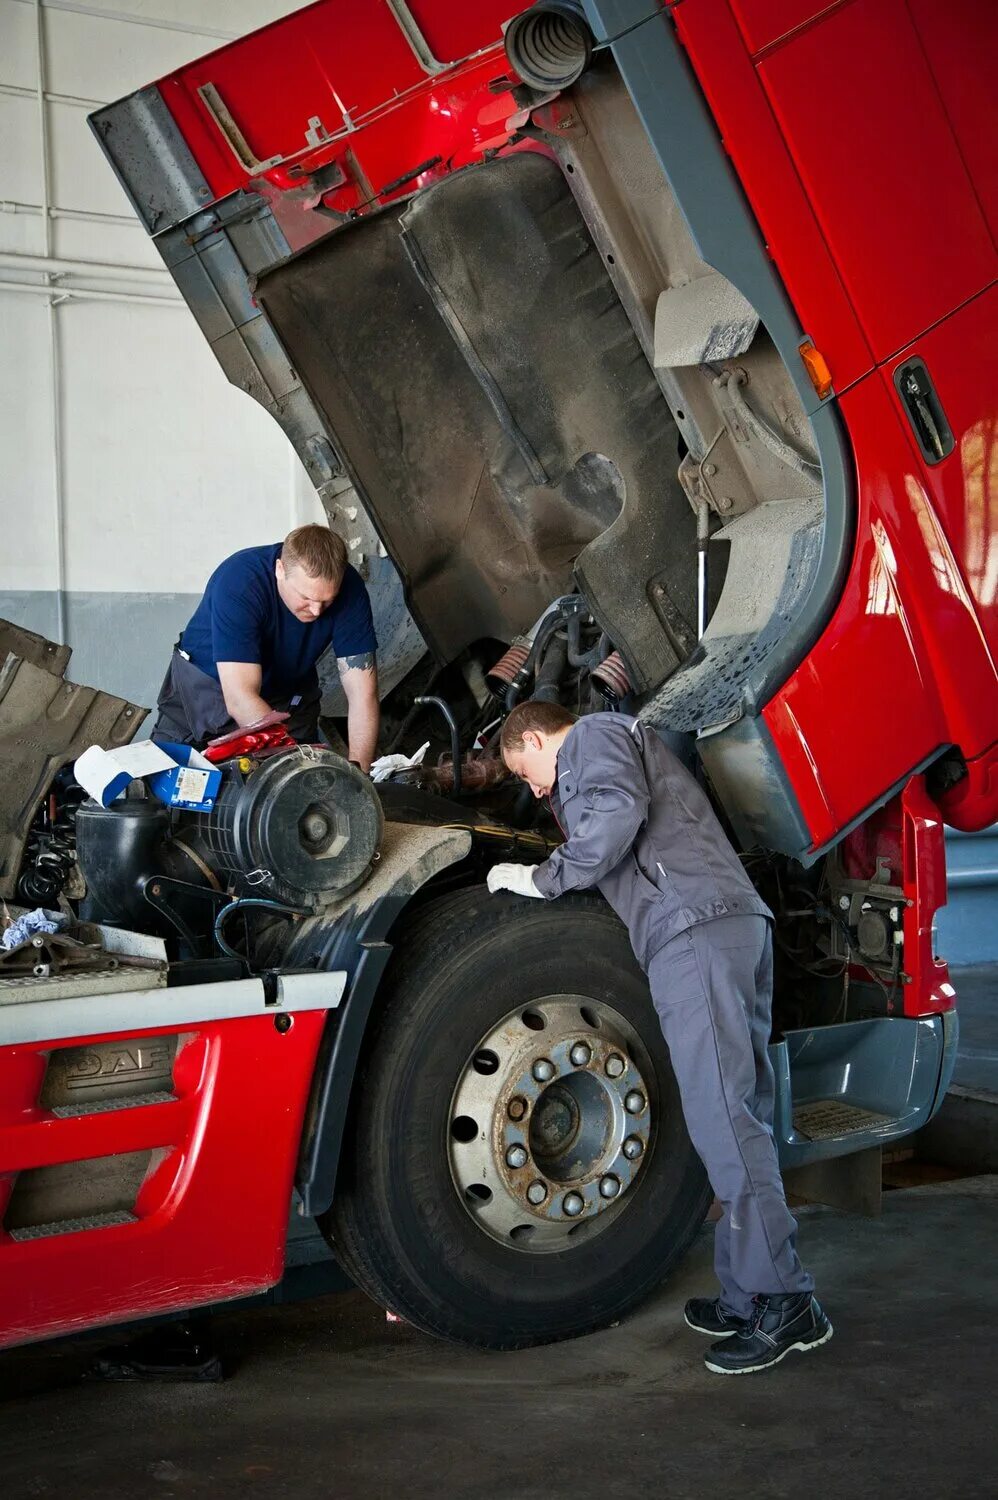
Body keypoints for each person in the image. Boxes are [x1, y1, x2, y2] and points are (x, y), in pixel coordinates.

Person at [487, 700, 832, 1376]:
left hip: (694, 934)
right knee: (736, 1120)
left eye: (527, 772)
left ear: (533, 736)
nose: (536, 791)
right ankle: (748, 1294)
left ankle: (786, 1301)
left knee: (725, 1123)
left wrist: (542, 876)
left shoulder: (591, 737)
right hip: (724, 927)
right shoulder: (618, 739)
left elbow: (615, 813)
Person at [152, 525, 379, 771]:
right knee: (168, 783)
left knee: (303, 797)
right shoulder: (240, 580)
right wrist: (293, 769)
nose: (316, 610)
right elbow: (240, 697)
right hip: (208, 691)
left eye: (327, 601)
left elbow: (362, 695)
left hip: (287, 694)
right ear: (280, 570)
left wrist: (361, 777)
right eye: (306, 598)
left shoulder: (350, 589)